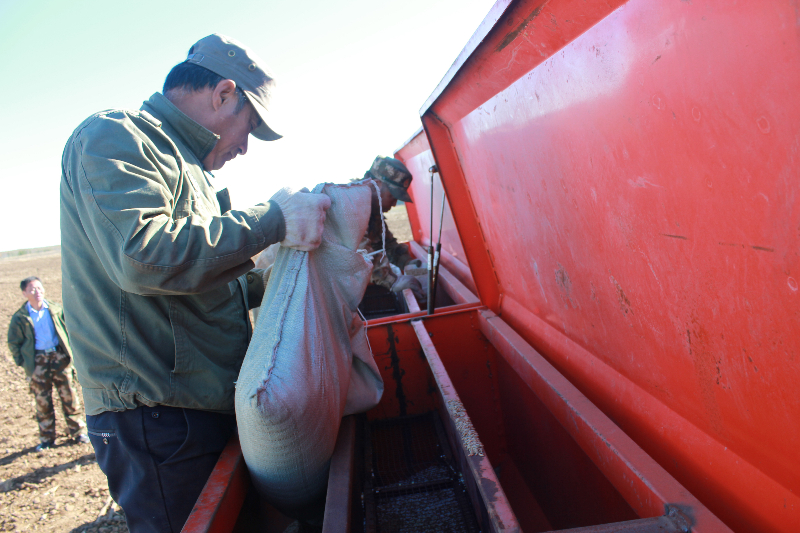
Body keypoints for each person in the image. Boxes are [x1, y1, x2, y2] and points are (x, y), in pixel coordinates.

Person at [59, 34, 330, 533]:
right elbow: (143, 256)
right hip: (156, 416)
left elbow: (198, 286)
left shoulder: (192, 171)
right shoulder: (115, 136)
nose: (245, 147)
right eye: (250, 126)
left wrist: (277, 278)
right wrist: (272, 219)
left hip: (200, 403)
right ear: (224, 93)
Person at [7, 277, 89, 452]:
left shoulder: (56, 310)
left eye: (39, 287)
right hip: (38, 362)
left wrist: (70, 354)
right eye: (32, 289)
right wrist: (24, 362)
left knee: (70, 397)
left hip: (60, 359)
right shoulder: (20, 318)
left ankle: (78, 431)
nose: (37, 292)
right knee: (43, 402)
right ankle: (46, 438)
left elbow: (70, 330)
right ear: (24, 293)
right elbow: (13, 343)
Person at [361, 156, 425, 300]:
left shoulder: (372, 210)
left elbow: (386, 244)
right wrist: (392, 281)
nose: (394, 204)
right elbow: (359, 255)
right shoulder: (350, 207)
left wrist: (406, 262)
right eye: (392, 196)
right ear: (376, 185)